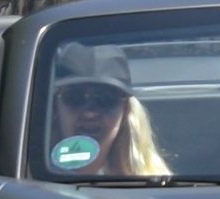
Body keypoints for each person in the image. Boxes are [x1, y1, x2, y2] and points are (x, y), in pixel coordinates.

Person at [44, 45, 171, 178]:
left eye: (106, 99)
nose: (90, 113)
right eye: (74, 98)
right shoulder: (28, 180)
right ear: (54, 108)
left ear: (126, 111)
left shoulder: (154, 185)